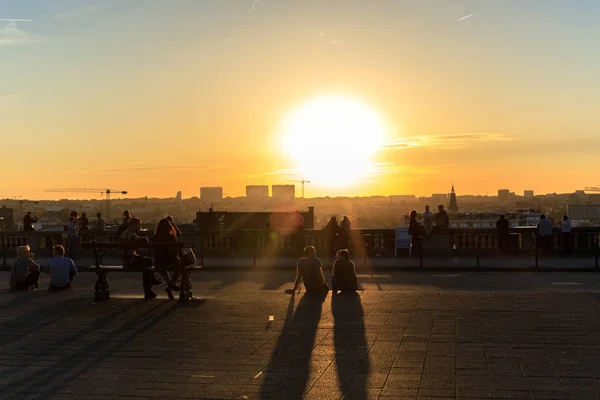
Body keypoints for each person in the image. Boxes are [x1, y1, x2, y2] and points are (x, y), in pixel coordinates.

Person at [120, 217, 162, 299]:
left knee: (147, 265)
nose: (139, 227)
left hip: (125, 261)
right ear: (134, 225)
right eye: (139, 225)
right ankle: (150, 287)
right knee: (149, 263)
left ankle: (150, 288)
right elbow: (143, 241)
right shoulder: (130, 234)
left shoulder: (124, 233)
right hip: (130, 261)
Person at [150, 218, 181, 300]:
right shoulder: (171, 237)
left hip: (158, 263)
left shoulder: (154, 238)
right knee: (180, 266)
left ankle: (169, 283)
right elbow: (174, 252)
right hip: (170, 262)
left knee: (161, 266)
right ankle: (170, 287)